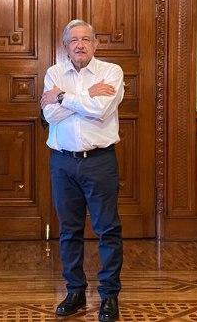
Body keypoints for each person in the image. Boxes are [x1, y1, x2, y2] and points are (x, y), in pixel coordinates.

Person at [40, 19, 124, 322]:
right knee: (69, 230)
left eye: (85, 39)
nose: (80, 45)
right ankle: (75, 291)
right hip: (63, 162)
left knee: (107, 229)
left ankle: (109, 296)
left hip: (99, 161)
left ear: (95, 43)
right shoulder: (54, 73)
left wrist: (63, 96)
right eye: (73, 40)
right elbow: (50, 114)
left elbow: (101, 110)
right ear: (65, 46)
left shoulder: (111, 72)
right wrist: (88, 94)